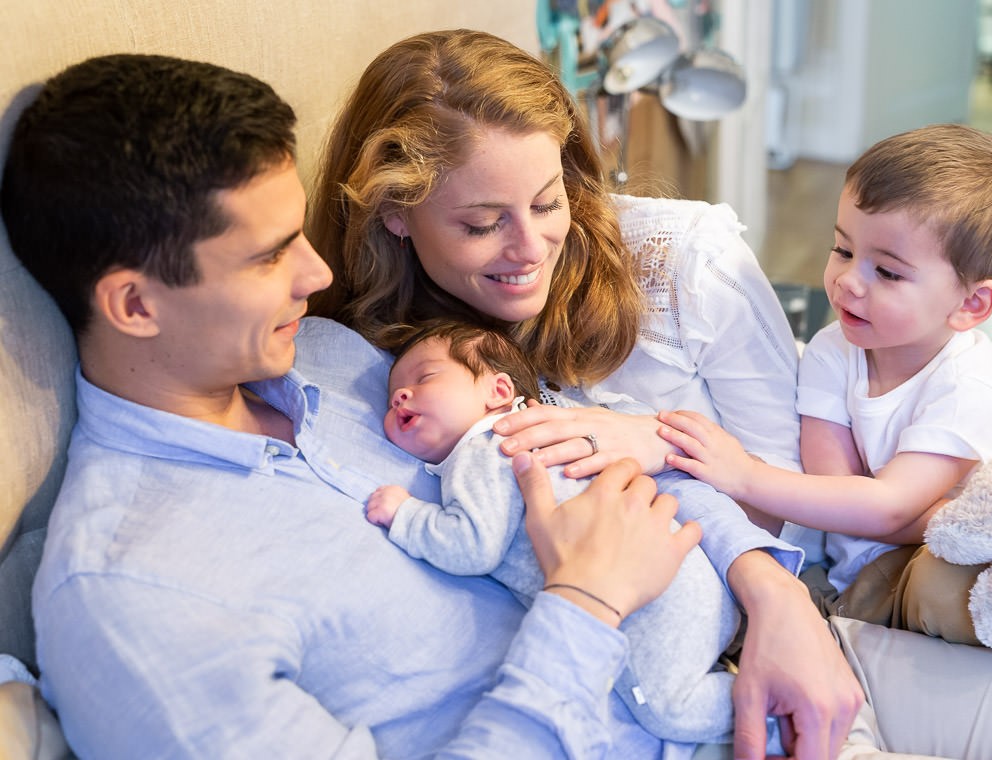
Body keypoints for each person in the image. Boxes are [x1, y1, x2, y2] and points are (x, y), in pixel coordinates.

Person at [1, 52, 864, 759]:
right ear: (135, 305)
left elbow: (586, 455)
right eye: (270, 257)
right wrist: (587, 605)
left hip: (769, 677)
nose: (320, 275)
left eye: (303, 234)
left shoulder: (340, 355)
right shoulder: (135, 601)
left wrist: (773, 593)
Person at [307, 28, 863, 754]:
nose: (531, 250)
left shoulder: (687, 262)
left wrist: (655, 440)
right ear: (395, 214)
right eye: (482, 224)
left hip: (817, 560)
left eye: (547, 203)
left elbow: (807, 512)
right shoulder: (398, 359)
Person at [657, 124, 992, 645]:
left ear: (970, 305)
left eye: (887, 272)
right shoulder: (831, 350)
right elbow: (839, 494)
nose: (848, 281)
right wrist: (895, 509)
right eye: (842, 250)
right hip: (924, 554)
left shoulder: (970, 387)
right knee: (943, 591)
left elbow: (880, 508)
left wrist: (745, 476)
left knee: (985, 583)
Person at [367, 319, 750, 745]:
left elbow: (471, 547)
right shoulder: (544, 433)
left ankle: (779, 714)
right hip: (694, 581)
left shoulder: (487, 447)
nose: (401, 394)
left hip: (655, 601)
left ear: (497, 392)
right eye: (390, 397)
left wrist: (405, 515)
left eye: (425, 377)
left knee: (670, 709)